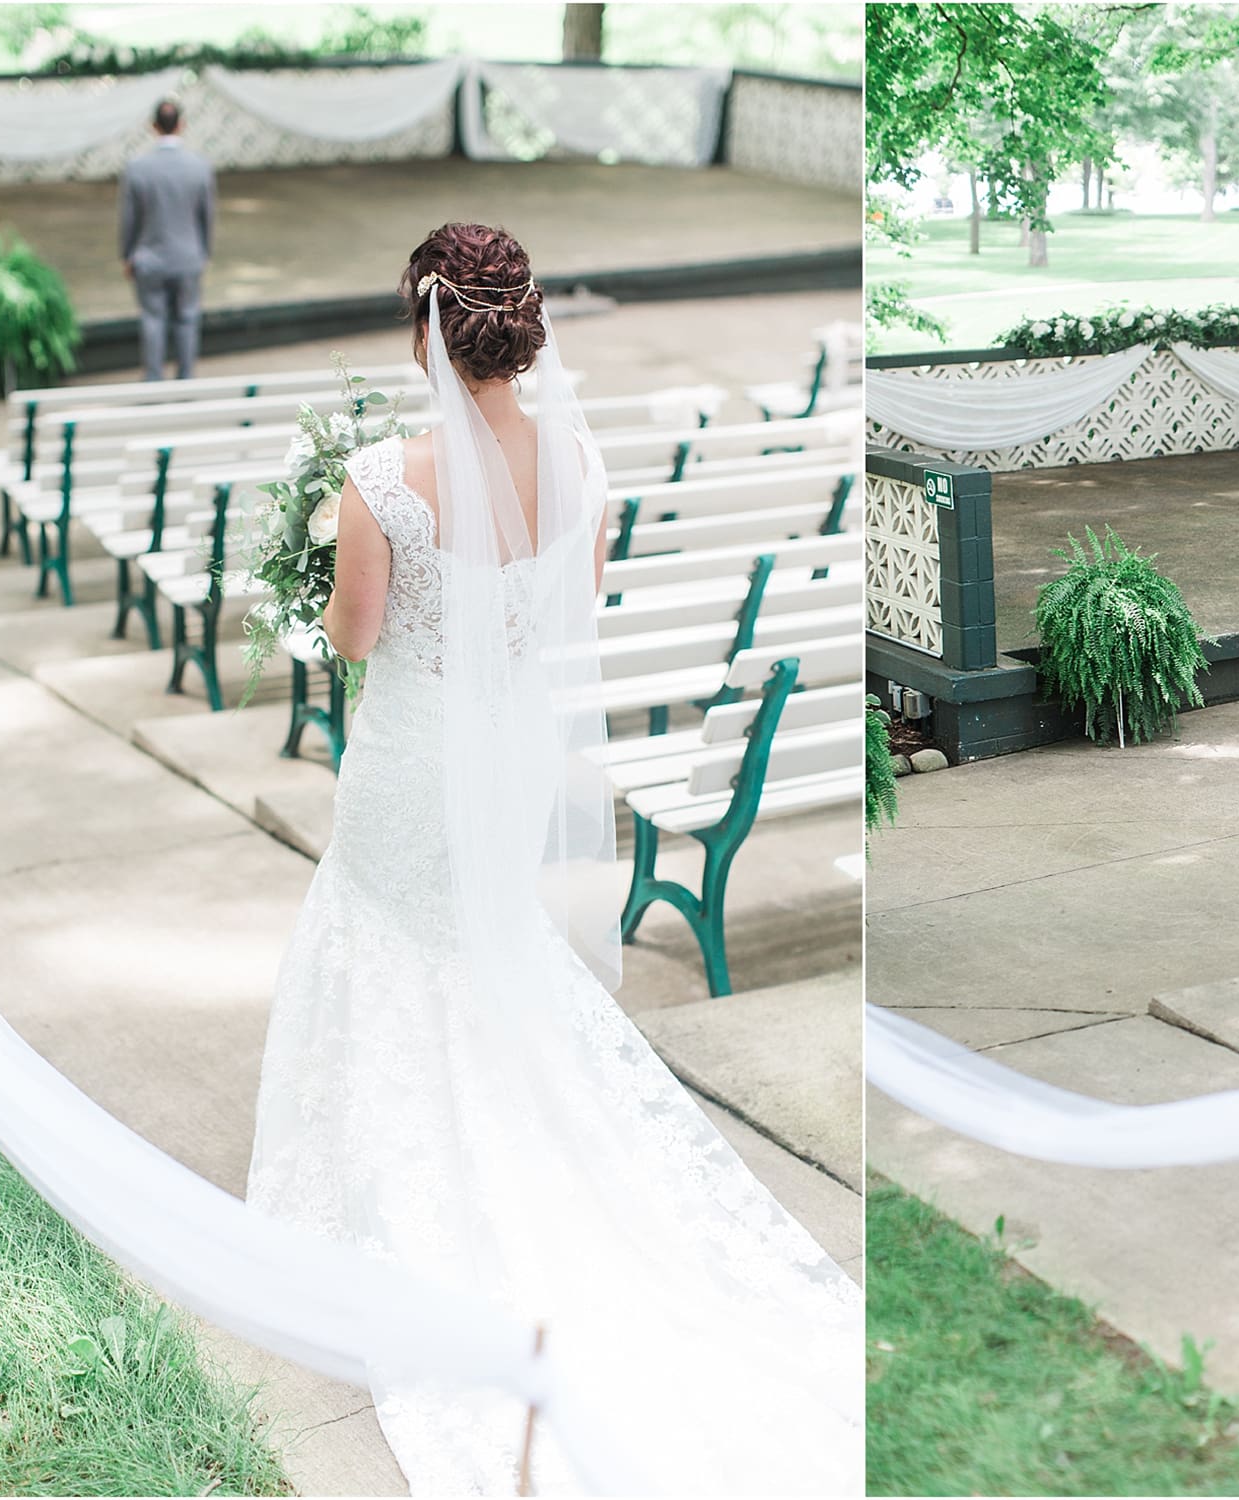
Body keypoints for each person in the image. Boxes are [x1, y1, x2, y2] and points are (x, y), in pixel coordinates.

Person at [243, 223, 860, 1495]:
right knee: (479, 942)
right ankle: (507, 1142)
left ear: (426, 329)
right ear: (520, 328)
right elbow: (566, 609)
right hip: (511, 754)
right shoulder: (580, 460)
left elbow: (353, 639)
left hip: (415, 754)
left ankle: (408, 1186)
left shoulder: (380, 478)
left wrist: (322, 568)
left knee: (393, 940)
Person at [118, 99, 215, 381]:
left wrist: (126, 255)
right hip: (188, 257)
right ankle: (185, 380)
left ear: (154, 126)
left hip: (149, 259)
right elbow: (207, 217)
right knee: (187, 319)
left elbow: (129, 219)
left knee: (152, 320)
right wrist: (204, 252)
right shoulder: (200, 167)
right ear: (182, 125)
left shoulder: (137, 168)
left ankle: (153, 381)